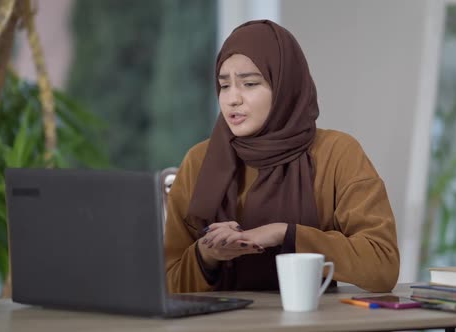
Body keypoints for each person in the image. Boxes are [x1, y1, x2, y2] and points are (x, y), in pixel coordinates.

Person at [164, 20, 399, 293]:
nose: (232, 99)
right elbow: (168, 282)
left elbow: (382, 265)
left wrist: (285, 235)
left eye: (249, 84)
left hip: (313, 322)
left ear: (286, 86)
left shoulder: (337, 153)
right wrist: (207, 256)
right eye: (224, 85)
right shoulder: (199, 160)